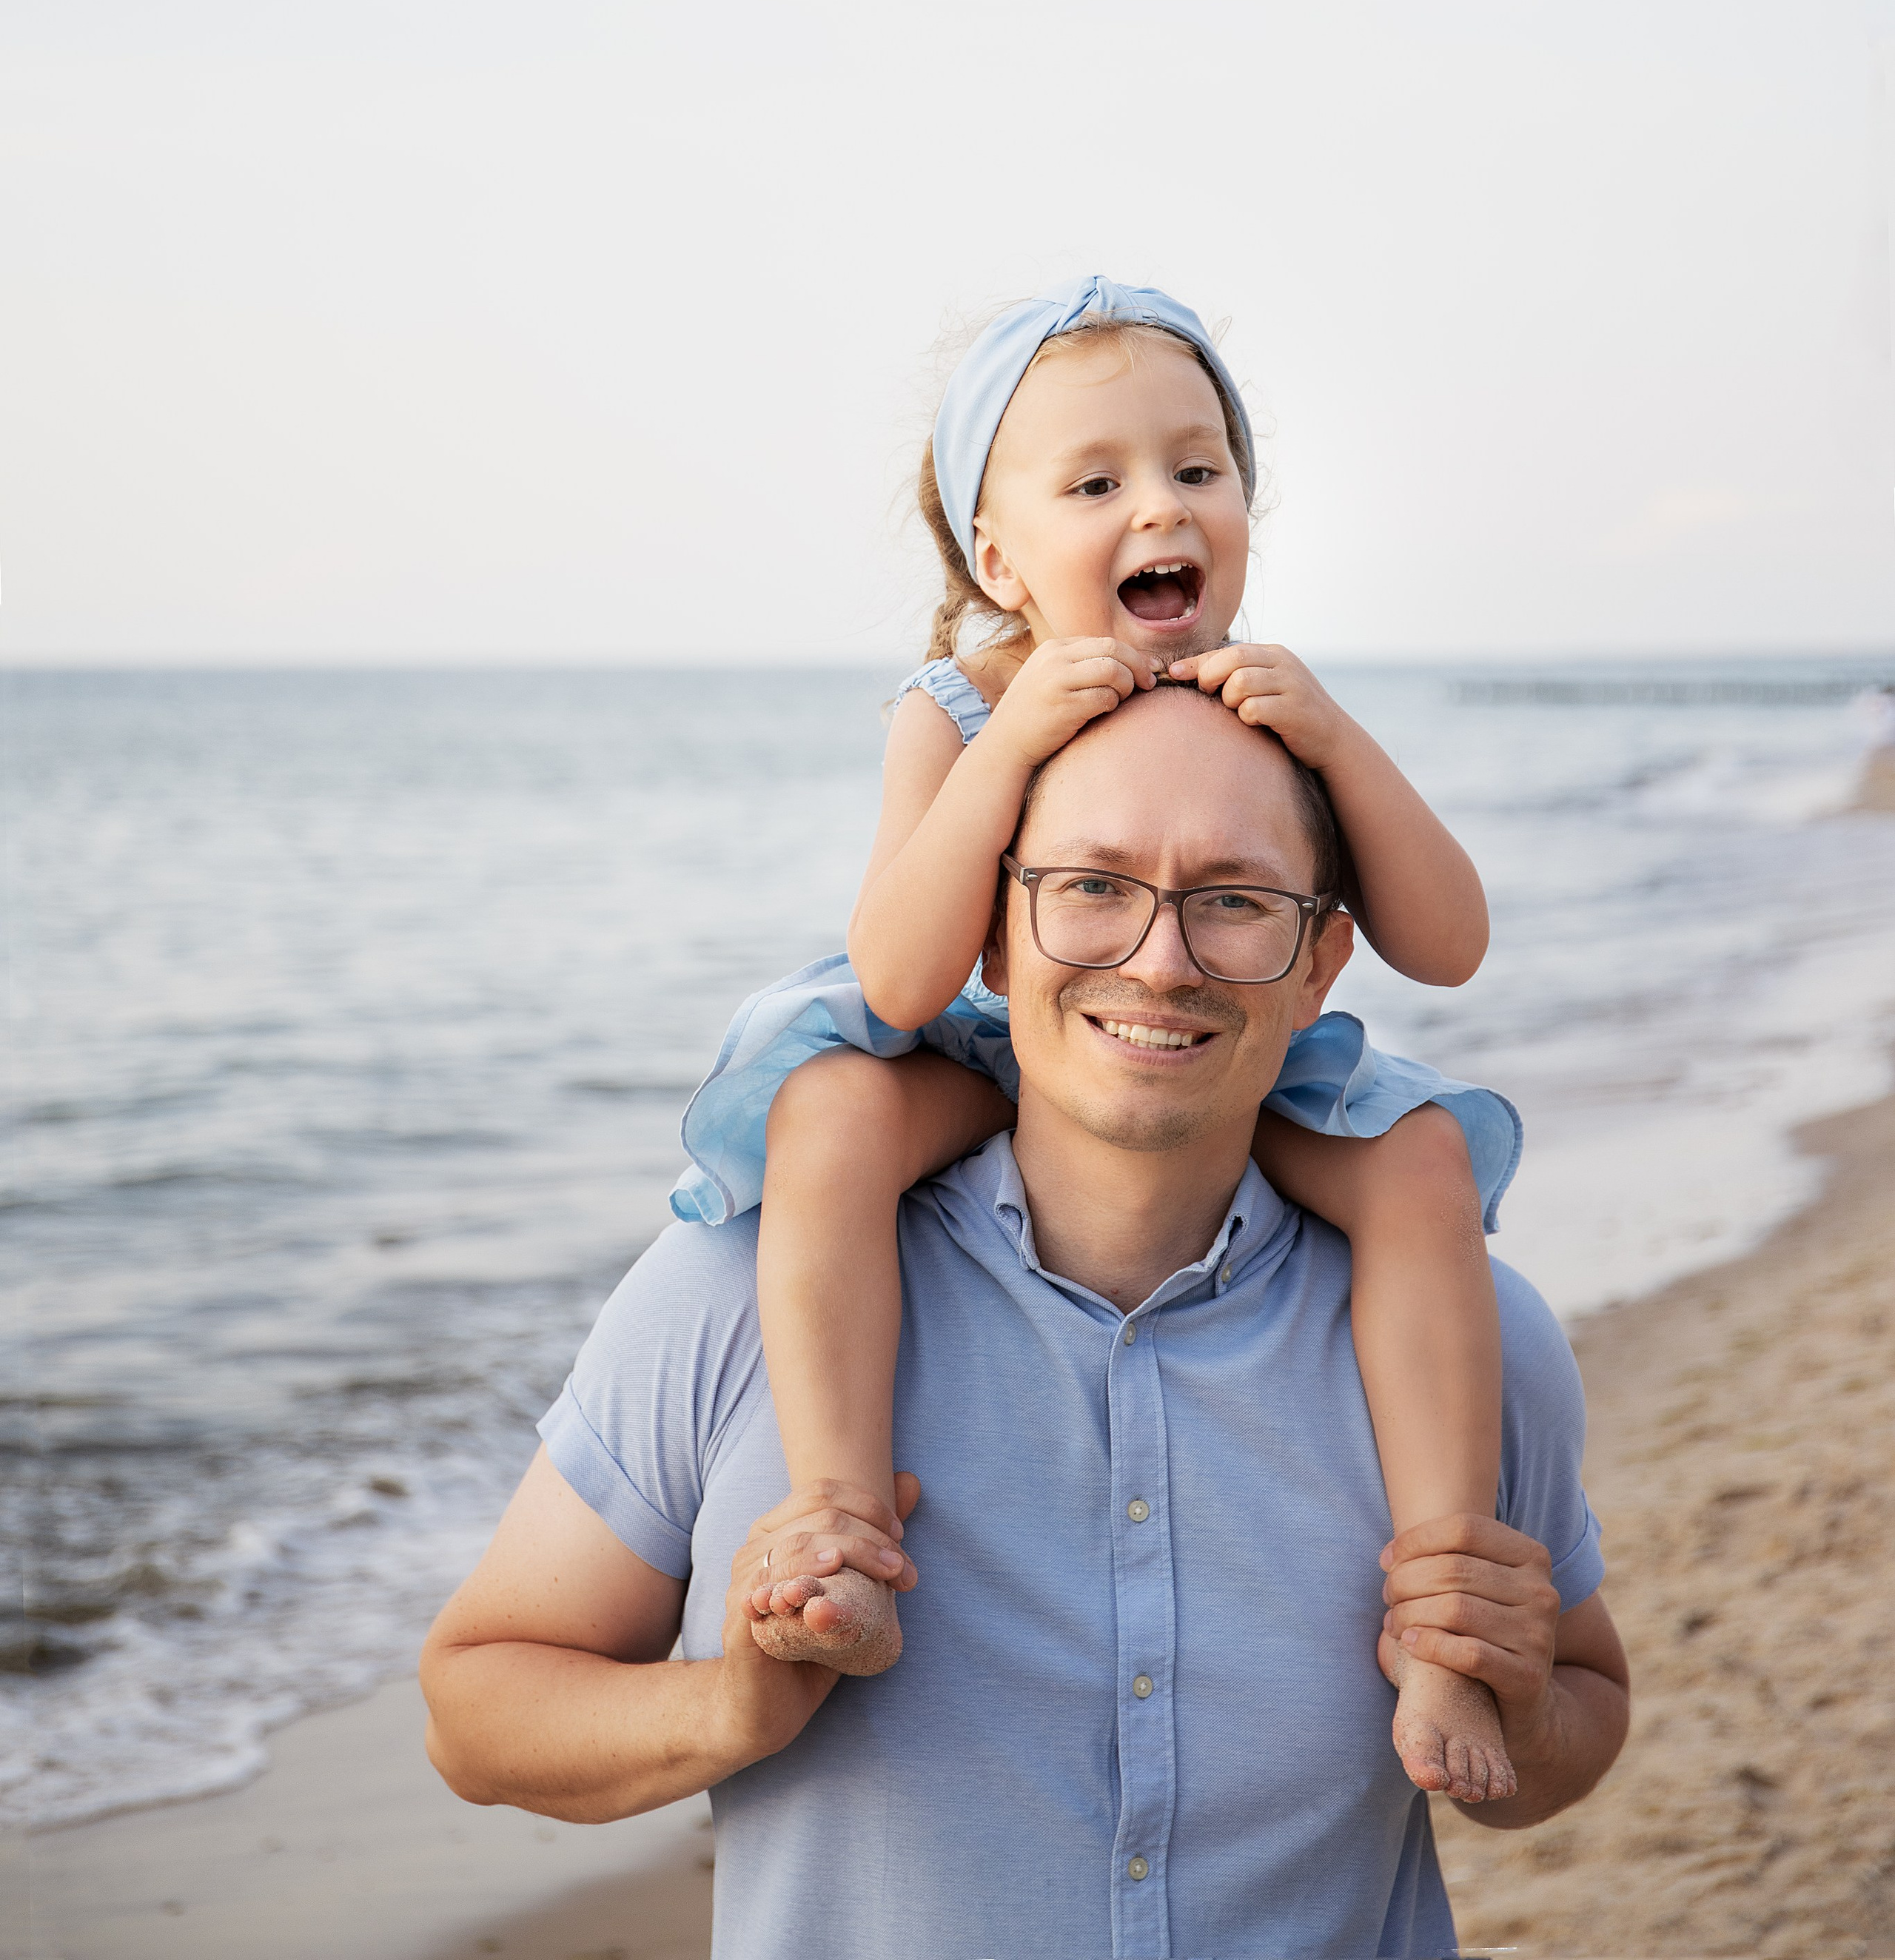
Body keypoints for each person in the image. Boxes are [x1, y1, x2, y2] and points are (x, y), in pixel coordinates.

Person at [422, 688, 1629, 1960]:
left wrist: (1523, 1697)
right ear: (994, 937)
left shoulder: (1469, 1340)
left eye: (1234, 900)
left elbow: (1582, 1712)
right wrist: (731, 1709)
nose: (1160, 962)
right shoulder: (734, 1296)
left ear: (1321, 962)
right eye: (1093, 887)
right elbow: (476, 1712)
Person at [674, 276, 1523, 1799]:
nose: (1160, 508)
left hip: (1186, 1036)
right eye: (1095, 482)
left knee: (1420, 1161)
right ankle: (840, 1518)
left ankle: (1444, 1604)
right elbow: (895, 974)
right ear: (996, 554)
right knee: (829, 1118)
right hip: (993, 1030)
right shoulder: (958, 701)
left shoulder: (1260, 700)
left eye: (1196, 469)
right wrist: (1005, 746)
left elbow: (1446, 946)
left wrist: (1329, 735)